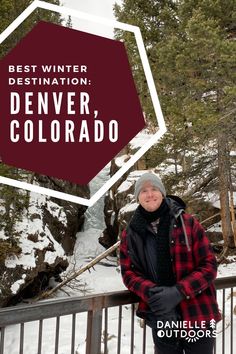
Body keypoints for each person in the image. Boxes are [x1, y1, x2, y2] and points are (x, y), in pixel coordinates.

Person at [120, 172, 221, 354]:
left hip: (198, 312)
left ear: (162, 193)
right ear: (137, 197)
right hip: (161, 315)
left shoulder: (189, 223)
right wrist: (152, 292)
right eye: (143, 191)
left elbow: (209, 266)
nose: (150, 194)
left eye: (154, 189)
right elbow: (129, 273)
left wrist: (178, 291)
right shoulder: (131, 233)